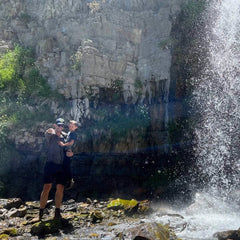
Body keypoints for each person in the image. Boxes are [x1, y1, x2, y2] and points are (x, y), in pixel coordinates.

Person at [38, 118, 67, 220]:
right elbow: (49, 131)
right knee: (47, 187)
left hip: (61, 166)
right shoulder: (51, 133)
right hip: (50, 164)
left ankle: (57, 212)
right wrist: (56, 131)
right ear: (55, 125)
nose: (60, 127)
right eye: (59, 125)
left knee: (60, 188)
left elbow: (67, 148)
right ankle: (41, 212)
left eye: (62, 125)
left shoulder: (64, 136)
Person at [59, 120, 78, 190]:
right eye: (69, 126)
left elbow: (71, 142)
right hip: (66, 151)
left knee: (66, 166)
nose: (70, 127)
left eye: (72, 126)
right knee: (65, 165)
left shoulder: (73, 134)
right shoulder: (70, 132)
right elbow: (67, 136)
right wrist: (60, 132)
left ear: (76, 127)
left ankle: (69, 180)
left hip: (68, 151)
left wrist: (63, 144)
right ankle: (67, 180)